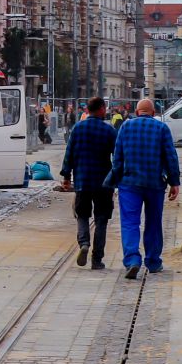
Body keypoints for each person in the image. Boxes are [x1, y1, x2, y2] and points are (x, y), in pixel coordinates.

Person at [111, 97, 181, 279]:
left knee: (130, 223)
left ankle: (132, 260)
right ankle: (153, 261)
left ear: (136, 112)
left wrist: (115, 181)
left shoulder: (125, 127)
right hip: (155, 184)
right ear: (153, 113)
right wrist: (175, 182)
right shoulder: (162, 128)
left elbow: (117, 157)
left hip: (129, 184)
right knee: (153, 222)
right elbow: (170, 157)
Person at [57, 96, 118, 270]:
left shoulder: (77, 128)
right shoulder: (109, 130)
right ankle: (97, 259)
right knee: (101, 220)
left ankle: (84, 243)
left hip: (82, 180)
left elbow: (69, 154)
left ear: (87, 110)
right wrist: (117, 177)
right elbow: (118, 155)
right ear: (100, 109)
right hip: (103, 182)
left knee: (82, 215)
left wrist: (67, 177)